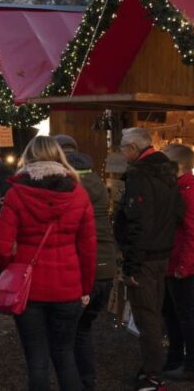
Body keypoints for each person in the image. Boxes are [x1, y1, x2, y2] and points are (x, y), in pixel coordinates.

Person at [0, 135, 97, 391]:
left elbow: (0, 246)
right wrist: (85, 288)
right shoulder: (79, 194)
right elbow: (88, 248)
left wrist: (7, 271)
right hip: (68, 289)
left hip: (29, 291)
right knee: (65, 355)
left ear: (28, 157)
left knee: (37, 360)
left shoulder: (17, 194)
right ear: (59, 156)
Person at [114, 128, 182, 391]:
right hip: (162, 253)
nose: (121, 152)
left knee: (147, 317)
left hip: (144, 257)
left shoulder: (140, 175)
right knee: (154, 312)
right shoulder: (168, 172)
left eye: (122, 147)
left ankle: (153, 375)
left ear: (133, 148)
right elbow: (177, 212)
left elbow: (138, 222)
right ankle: (154, 367)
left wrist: (131, 263)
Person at [55, 134, 117, 391]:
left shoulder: (68, 186)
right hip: (107, 268)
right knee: (83, 331)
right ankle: (87, 382)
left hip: (83, 268)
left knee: (65, 337)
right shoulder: (98, 183)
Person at [162, 144, 194, 382]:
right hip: (173, 264)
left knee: (186, 316)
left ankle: (190, 365)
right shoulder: (178, 190)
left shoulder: (188, 193)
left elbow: (192, 233)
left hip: (182, 267)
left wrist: (184, 266)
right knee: (173, 315)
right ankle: (175, 358)